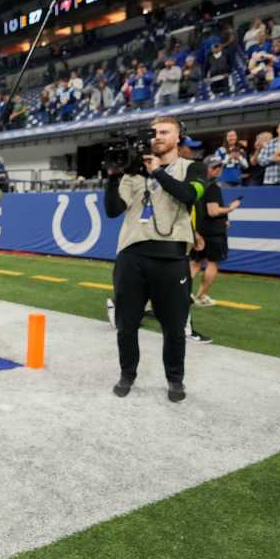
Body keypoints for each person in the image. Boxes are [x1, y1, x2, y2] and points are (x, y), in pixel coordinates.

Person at [103, 116, 206, 402]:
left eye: (164, 132)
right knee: (127, 324)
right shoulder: (133, 174)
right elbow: (113, 210)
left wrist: (158, 172)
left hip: (172, 258)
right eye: (154, 132)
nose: (158, 136)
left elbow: (189, 195)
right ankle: (127, 374)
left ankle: (175, 380)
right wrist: (112, 177)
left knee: (173, 327)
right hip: (132, 255)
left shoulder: (194, 168)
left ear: (178, 137)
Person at [190, 156, 241, 306]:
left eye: (220, 166)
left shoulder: (196, 185)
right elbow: (213, 211)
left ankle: (182, 293)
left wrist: (223, 218)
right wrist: (231, 208)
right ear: (206, 168)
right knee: (212, 263)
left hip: (199, 231)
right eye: (214, 167)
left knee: (195, 263)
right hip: (213, 232)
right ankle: (201, 296)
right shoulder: (212, 187)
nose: (218, 169)